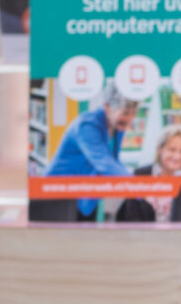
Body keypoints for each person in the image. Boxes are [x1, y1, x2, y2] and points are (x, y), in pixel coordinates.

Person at [44, 87, 140, 220]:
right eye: (125, 113)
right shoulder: (87, 125)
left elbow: (113, 161)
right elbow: (105, 164)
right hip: (59, 196)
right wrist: (141, 188)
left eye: (133, 113)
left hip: (86, 196)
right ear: (107, 107)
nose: (129, 119)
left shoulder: (117, 126)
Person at [117, 125, 181, 223]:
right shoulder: (141, 175)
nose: (177, 156)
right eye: (172, 149)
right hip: (144, 235)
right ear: (160, 150)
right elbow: (131, 217)